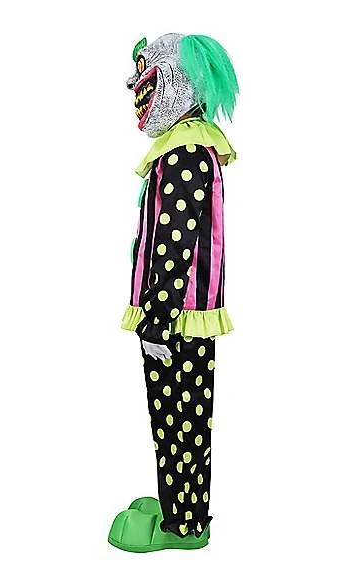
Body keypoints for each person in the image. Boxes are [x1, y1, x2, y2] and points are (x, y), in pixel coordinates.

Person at [108, 33, 239, 552]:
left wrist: (156, 319)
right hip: (177, 315)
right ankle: (179, 504)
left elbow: (175, 242)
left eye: (146, 80)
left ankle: (183, 525)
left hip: (176, 318)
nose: (135, 90)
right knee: (177, 418)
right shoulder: (185, 148)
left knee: (178, 419)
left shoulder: (185, 153)